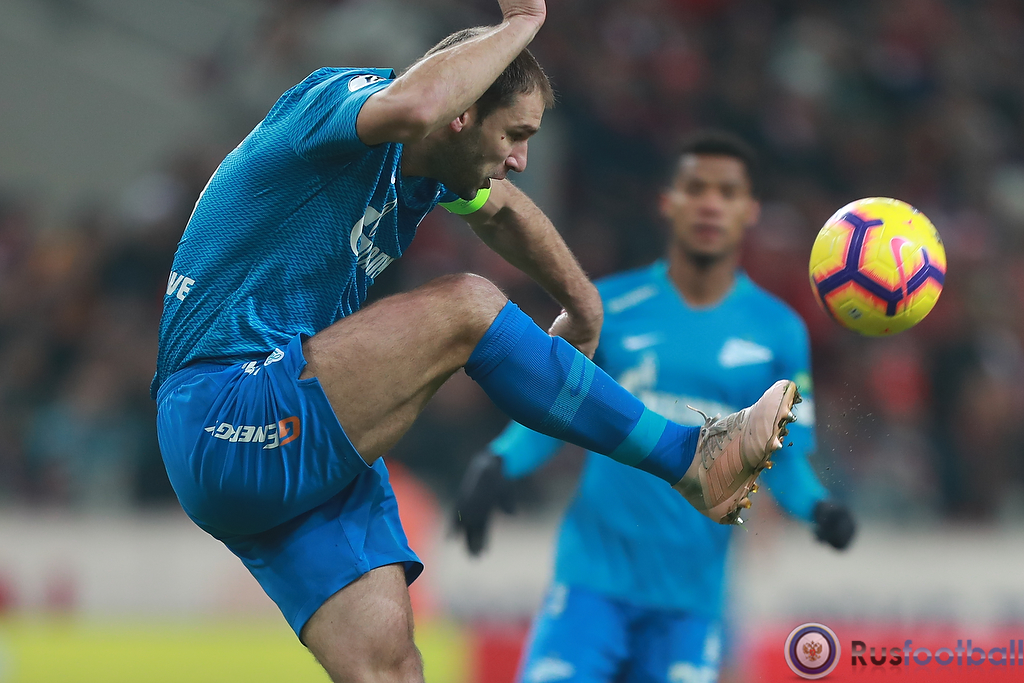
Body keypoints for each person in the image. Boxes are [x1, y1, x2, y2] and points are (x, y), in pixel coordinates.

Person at [151, 1, 798, 679]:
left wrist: (584, 306)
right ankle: (687, 457)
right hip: (225, 409)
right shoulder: (332, 105)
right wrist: (520, 25)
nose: (520, 159)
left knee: (389, 667)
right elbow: (416, 104)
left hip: (297, 434)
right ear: (461, 114)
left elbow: (505, 214)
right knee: (466, 307)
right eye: (514, 133)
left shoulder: (426, 170)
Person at [453, 132, 856, 683]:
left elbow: (781, 459)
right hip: (592, 584)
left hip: (691, 602)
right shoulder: (607, 305)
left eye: (727, 192)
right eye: (696, 188)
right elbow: (561, 408)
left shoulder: (778, 332)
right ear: (669, 202)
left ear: (750, 211)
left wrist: (820, 510)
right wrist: (499, 460)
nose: (710, 204)